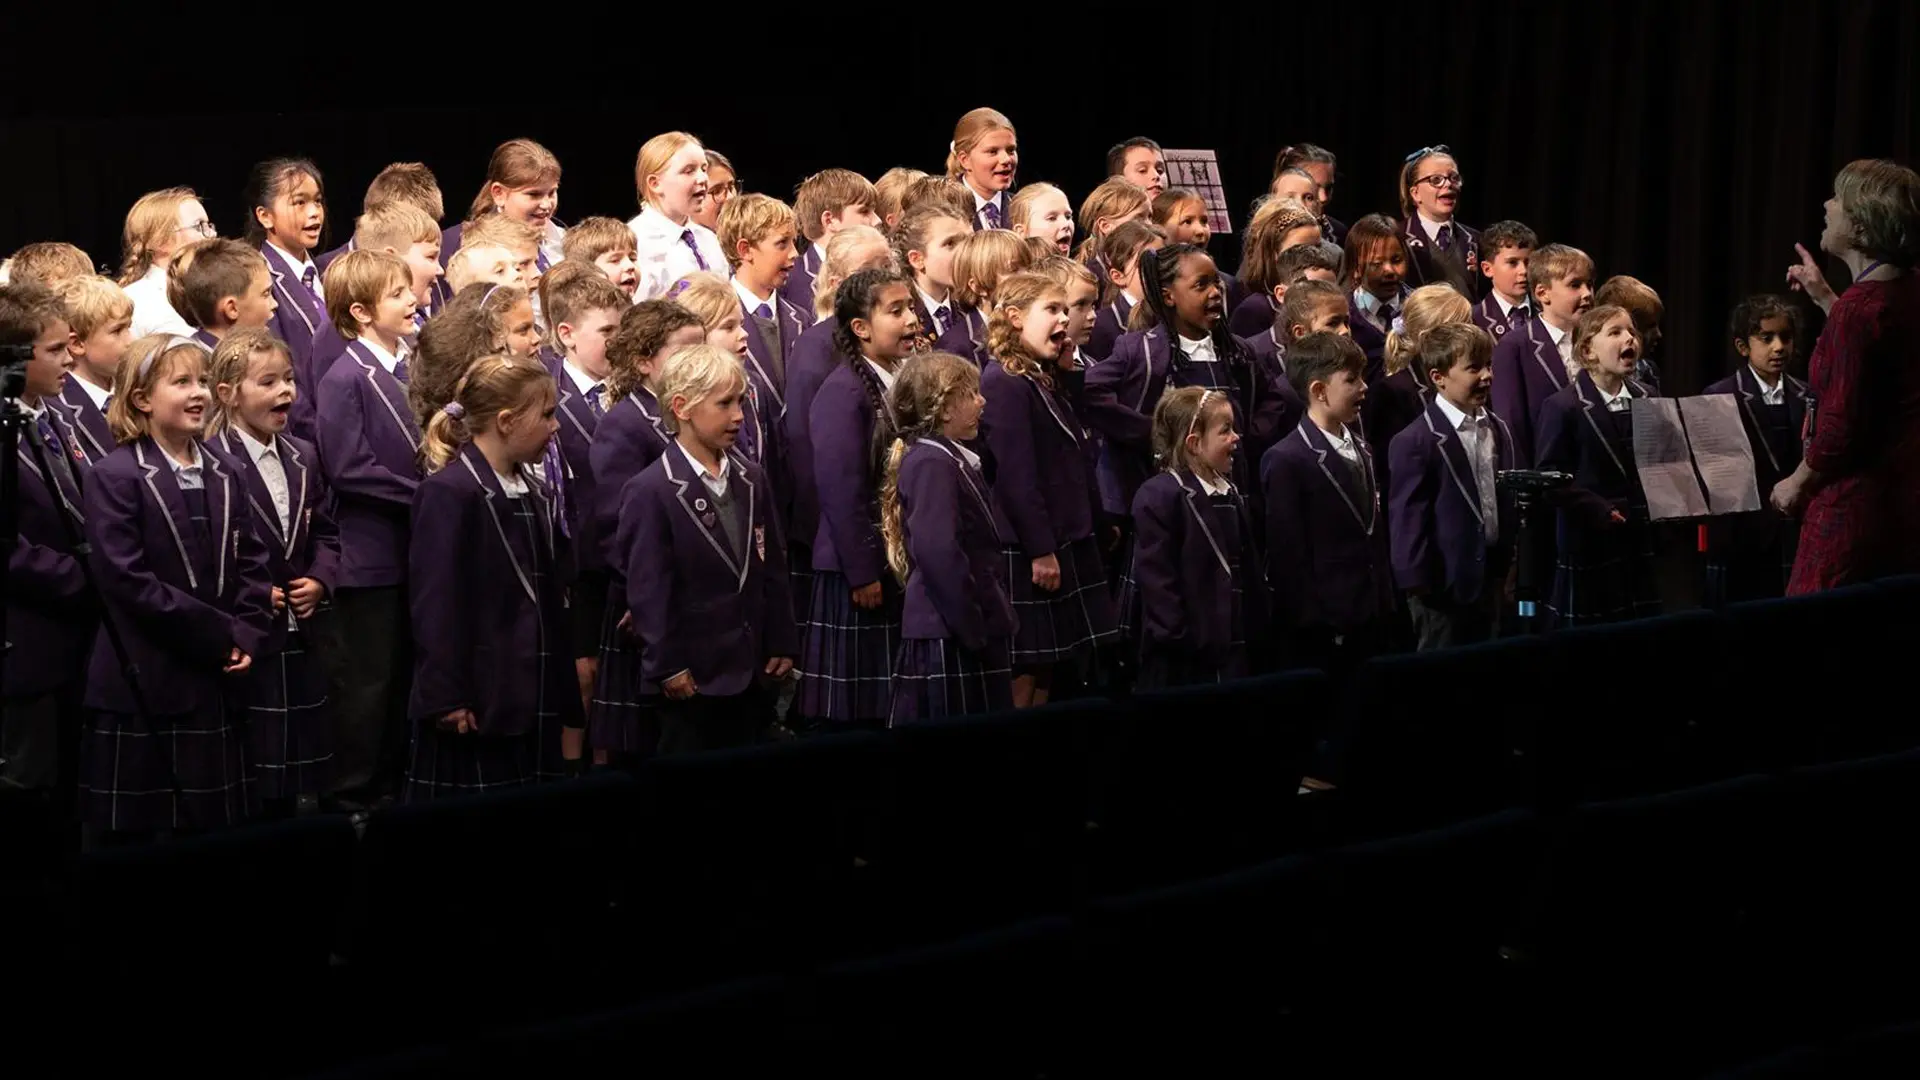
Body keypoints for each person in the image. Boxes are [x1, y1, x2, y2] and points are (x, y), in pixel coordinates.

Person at [83, 335, 273, 839]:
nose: (199, 393)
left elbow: (252, 561)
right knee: (146, 836)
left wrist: (249, 632)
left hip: (218, 681)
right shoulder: (115, 475)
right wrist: (221, 635)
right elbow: (126, 579)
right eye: (182, 382)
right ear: (142, 399)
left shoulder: (227, 470)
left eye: (204, 381)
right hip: (149, 679)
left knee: (217, 828)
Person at [408, 354, 578, 797]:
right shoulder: (449, 493)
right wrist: (446, 694)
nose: (556, 426)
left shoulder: (533, 490)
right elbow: (435, 604)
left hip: (531, 687)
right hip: (481, 696)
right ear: (506, 421)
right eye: (546, 415)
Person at [621, 345, 797, 752]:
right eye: (724, 404)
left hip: (752, 670)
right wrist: (667, 665)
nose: (738, 415)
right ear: (681, 407)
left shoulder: (752, 478)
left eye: (740, 401)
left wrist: (782, 640)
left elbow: (772, 566)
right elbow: (650, 591)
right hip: (694, 678)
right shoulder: (651, 490)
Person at [205, 329, 338, 815]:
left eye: (288, 379)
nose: (286, 391)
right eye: (268, 382)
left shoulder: (303, 455)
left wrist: (321, 578)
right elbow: (211, 552)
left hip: (304, 632)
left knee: (309, 763)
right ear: (228, 393)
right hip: (252, 636)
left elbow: (325, 531)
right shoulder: (212, 462)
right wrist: (254, 591)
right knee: (258, 771)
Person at [1774, 158, 1920, 591]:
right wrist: (1824, 296)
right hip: (1905, 506)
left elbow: (1840, 427)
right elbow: (1875, 348)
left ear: (1862, 224)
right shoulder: (1906, 289)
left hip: (1856, 510)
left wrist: (1796, 483)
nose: (1827, 205)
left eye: (1838, 198)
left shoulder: (1857, 312)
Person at [313, 250, 425, 811]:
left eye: (409, 289)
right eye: (397, 294)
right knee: (370, 683)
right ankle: (354, 796)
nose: (413, 300)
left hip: (413, 551)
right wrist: (424, 497)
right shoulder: (344, 378)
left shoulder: (413, 365)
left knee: (404, 675)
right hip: (372, 556)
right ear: (360, 312)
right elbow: (349, 468)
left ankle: (397, 785)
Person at [982, 271, 1117, 707]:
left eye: (1064, 309)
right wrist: (1041, 550)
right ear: (1015, 317)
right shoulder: (1003, 382)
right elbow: (1016, 476)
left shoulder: (1038, 374)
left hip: (1065, 536)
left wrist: (1067, 371)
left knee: (1051, 667)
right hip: (1031, 548)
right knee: (1029, 667)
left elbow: (1074, 440)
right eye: (1052, 309)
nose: (1063, 319)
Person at [797, 269, 921, 730]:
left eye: (911, 308)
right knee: (857, 713)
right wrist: (863, 571)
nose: (911, 319)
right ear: (861, 328)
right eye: (896, 311)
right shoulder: (842, 393)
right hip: (858, 571)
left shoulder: (898, 379)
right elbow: (841, 492)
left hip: (892, 562)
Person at [0, 285, 95, 807]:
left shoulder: (54, 414)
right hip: (25, 643)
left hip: (75, 637)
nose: (70, 359)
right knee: (28, 784)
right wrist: (82, 576)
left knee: (71, 784)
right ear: (13, 357)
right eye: (55, 350)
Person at [881, 352, 1014, 721]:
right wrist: (972, 628)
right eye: (970, 394)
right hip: (947, 634)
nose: (981, 401)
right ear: (942, 408)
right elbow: (938, 552)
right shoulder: (931, 463)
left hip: (956, 631)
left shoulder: (946, 458)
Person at [1123, 387, 1266, 689]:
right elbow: (1160, 586)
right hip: (1187, 656)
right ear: (1194, 443)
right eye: (1225, 430)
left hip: (1235, 643)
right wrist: (1180, 639)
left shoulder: (1229, 491)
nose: (1236, 437)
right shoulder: (1160, 495)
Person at [1264, 332, 1392, 668]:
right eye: (1351, 380)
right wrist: (1314, 620)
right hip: (1326, 624)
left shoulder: (1363, 448)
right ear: (1319, 391)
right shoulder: (1287, 459)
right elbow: (1288, 554)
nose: (1364, 387)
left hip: (1371, 613)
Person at [1388, 323, 1517, 648]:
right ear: (1438, 377)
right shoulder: (1416, 440)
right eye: (1473, 368)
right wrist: (1420, 586)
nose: (1486, 376)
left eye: (1488, 365)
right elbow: (1408, 520)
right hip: (1443, 587)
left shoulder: (1497, 428)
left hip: (1491, 577)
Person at [1535, 305, 1659, 627]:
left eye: (1631, 331)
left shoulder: (1648, 397)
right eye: (1615, 332)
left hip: (1639, 538)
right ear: (1588, 350)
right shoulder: (1564, 406)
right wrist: (1598, 509)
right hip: (1590, 542)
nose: (1629, 338)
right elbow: (1549, 478)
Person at [1704, 295, 1807, 605]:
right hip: (1743, 533)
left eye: (1785, 337)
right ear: (1742, 346)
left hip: (1795, 527)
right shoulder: (1721, 396)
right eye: (1767, 338)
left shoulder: (1807, 395)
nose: (1779, 347)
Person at [55, 274, 134, 464]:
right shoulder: (59, 410)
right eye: (117, 331)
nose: (131, 341)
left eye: (129, 327)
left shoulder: (137, 388)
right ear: (77, 344)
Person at [1399, 145, 1481, 299]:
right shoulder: (1398, 238)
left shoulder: (1477, 240)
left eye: (1454, 178)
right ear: (1415, 193)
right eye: (1436, 180)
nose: (1448, 184)